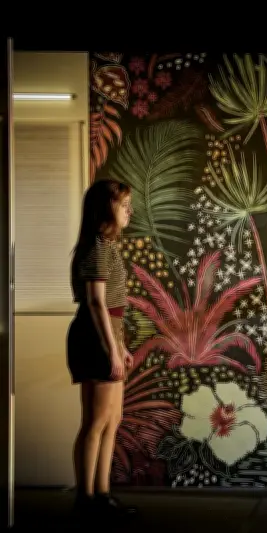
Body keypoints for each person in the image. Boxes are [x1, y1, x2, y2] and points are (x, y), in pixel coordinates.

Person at [67, 178, 137, 518]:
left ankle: (102, 494)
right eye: (123, 205)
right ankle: (86, 497)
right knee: (95, 422)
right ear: (104, 209)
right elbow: (96, 303)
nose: (129, 211)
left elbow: (112, 307)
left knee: (113, 419)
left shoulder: (108, 246)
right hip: (94, 337)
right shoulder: (96, 246)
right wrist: (112, 349)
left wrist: (120, 346)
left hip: (108, 334)